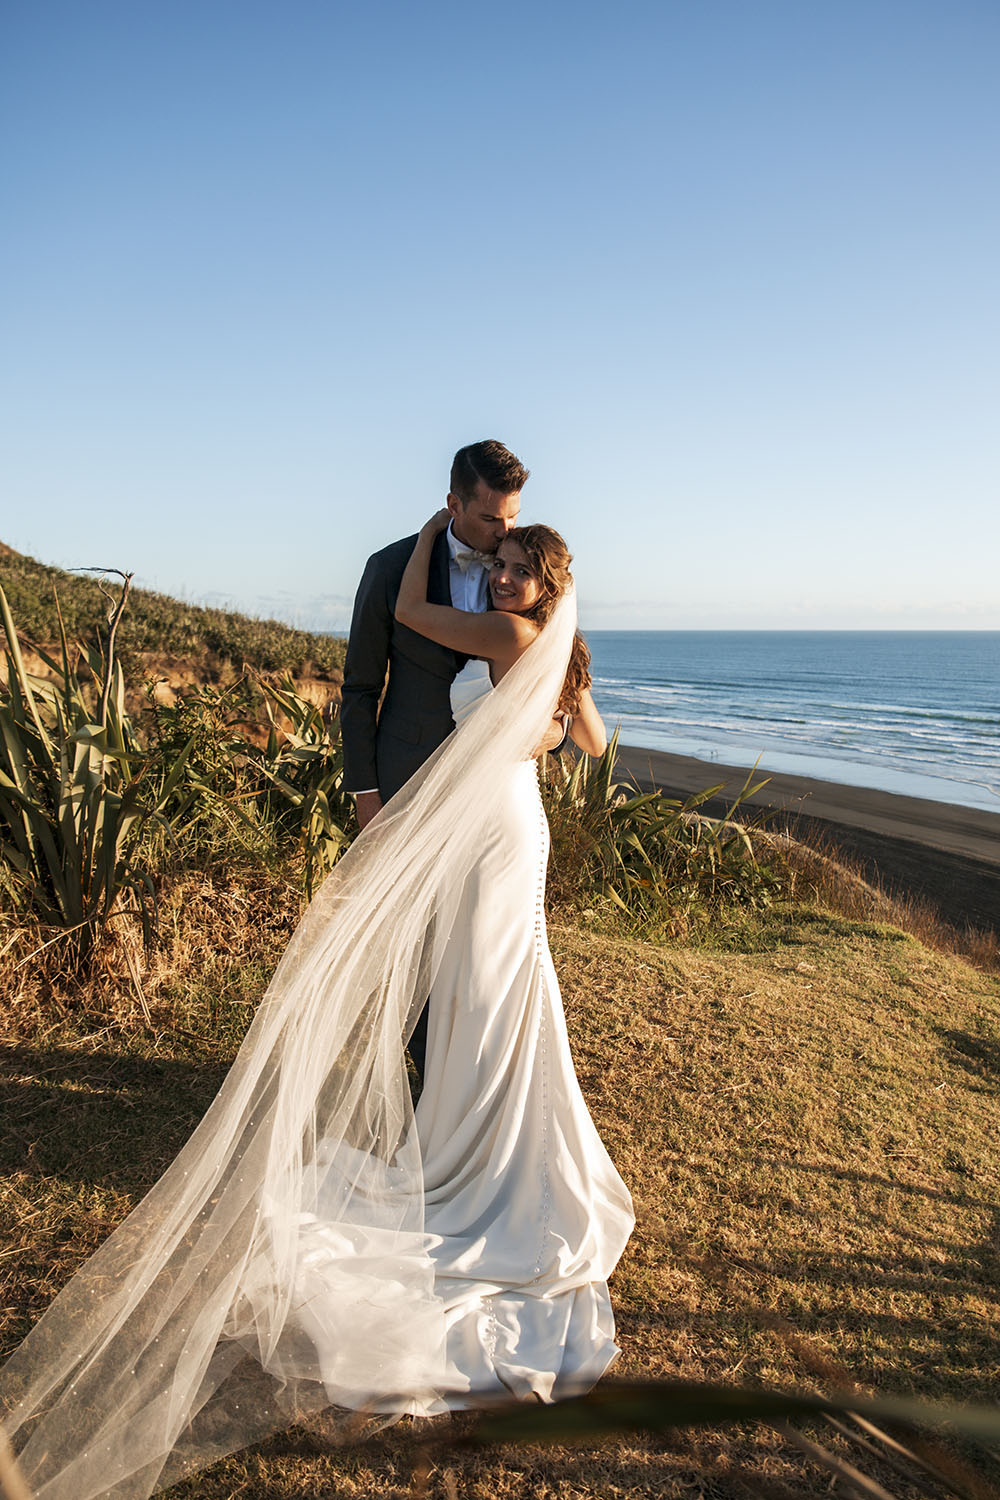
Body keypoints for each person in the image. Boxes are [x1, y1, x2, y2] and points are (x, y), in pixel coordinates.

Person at [0, 512, 634, 1500]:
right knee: (501, 992)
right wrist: (560, 707)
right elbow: (596, 746)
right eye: (498, 566)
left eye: (514, 570)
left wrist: (432, 533)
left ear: (543, 584)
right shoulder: (554, 652)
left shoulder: (509, 638)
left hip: (495, 835)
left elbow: (418, 609)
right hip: (521, 828)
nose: (499, 581)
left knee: (490, 990)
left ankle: (484, 1169)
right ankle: (495, 1160)